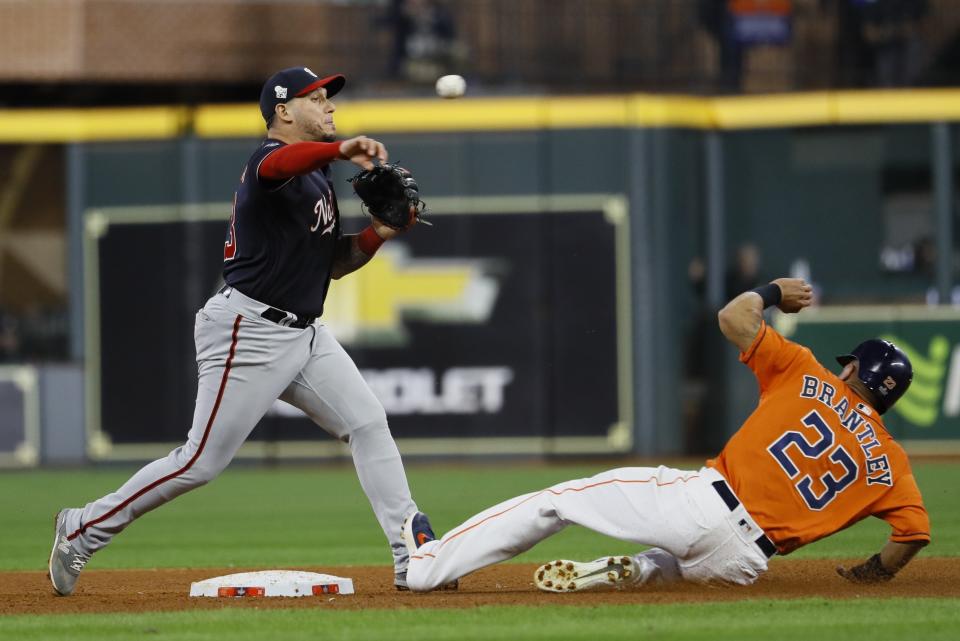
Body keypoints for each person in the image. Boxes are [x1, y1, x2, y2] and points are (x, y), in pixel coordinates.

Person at [48, 66, 444, 596]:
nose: (330, 108)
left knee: (368, 423)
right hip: (248, 330)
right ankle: (82, 527)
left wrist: (379, 233)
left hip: (304, 333)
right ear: (284, 111)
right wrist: (340, 149)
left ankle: (410, 555)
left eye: (330, 100)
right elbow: (281, 160)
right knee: (199, 462)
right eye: (317, 99)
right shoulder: (270, 162)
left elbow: (332, 263)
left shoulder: (318, 177)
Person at [402, 277, 930, 592]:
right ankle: (632, 570)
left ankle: (429, 567)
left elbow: (733, 316)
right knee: (670, 567)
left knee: (558, 502)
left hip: (703, 506)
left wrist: (771, 290)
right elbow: (912, 536)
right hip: (744, 563)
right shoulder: (893, 463)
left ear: (851, 371)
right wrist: (872, 576)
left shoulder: (809, 374)